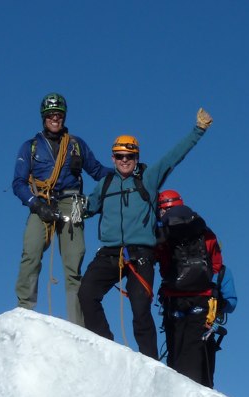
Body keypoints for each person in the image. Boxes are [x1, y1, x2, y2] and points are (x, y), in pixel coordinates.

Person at [77, 108, 214, 358]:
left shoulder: (148, 179)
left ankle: (149, 363)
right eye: (119, 156)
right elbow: (87, 208)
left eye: (129, 155)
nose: (124, 160)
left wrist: (199, 130)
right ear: (113, 157)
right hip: (109, 253)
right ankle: (106, 347)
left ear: (137, 156)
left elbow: (174, 156)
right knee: (87, 294)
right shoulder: (105, 184)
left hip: (140, 255)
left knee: (140, 309)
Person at [12, 93, 112, 326]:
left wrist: (124, 172)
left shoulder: (76, 145)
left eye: (58, 115)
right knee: (31, 251)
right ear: (43, 118)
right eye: (50, 115)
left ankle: (77, 323)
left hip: (71, 202)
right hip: (41, 202)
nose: (55, 119)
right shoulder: (31, 147)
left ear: (64, 117)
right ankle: (24, 309)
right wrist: (35, 203)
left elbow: (97, 171)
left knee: (73, 261)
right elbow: (18, 183)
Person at [155, 190, 237, 387]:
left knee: (175, 359)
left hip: (173, 303)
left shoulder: (161, 235)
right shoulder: (205, 233)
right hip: (203, 306)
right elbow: (228, 296)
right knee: (199, 367)